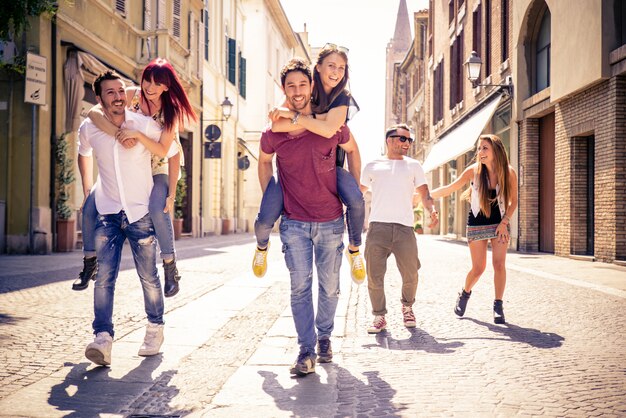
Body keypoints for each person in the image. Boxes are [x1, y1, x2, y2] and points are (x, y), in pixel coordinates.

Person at [258, 58, 361, 376]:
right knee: (300, 288)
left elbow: (354, 151)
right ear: (283, 89)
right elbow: (264, 162)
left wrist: (352, 189)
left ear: (312, 86)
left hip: (331, 222)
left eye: (303, 84)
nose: (298, 90)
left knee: (329, 288)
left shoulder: (332, 125)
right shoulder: (274, 130)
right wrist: (272, 197)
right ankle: (305, 351)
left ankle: (325, 338)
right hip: (294, 224)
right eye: (291, 85)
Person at [72, 58, 197, 298]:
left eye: (156, 83)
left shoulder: (171, 112)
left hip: (158, 165)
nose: (149, 87)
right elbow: (94, 112)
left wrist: (171, 194)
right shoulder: (133, 94)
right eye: (147, 80)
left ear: (166, 87)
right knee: (89, 207)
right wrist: (118, 134)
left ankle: (170, 267)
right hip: (131, 164)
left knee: (157, 207)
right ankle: (89, 263)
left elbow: (165, 152)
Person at [78, 70, 178, 366]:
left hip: (140, 214)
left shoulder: (144, 125)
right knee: (104, 279)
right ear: (99, 98)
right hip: (108, 213)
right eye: (110, 92)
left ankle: (155, 328)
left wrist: (170, 194)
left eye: (121, 91)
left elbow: (171, 151)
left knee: (148, 277)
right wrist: (87, 190)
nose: (118, 97)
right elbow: (82, 151)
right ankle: (103, 338)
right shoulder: (90, 127)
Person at [252, 43, 366, 285]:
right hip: (294, 173)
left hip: (331, 166)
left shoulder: (342, 96)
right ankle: (261, 247)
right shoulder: (304, 87)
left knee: (356, 200)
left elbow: (329, 130)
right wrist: (313, 119)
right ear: (318, 68)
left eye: (341, 68)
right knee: (264, 219)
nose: (336, 72)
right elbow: (276, 126)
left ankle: (354, 249)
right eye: (331, 66)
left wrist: (355, 184)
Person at [430, 134, 518, 324]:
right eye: (479, 149)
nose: (480, 152)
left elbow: (514, 202)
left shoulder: (508, 172)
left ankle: (498, 306)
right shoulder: (474, 171)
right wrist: (425, 196)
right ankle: (465, 293)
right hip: (477, 222)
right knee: (478, 268)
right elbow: (449, 188)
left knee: (499, 264)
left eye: (484, 148)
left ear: (496, 150)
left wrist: (504, 222)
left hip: (499, 223)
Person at [360, 124, 439, 334]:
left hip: (405, 229)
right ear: (389, 140)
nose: (407, 144)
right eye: (403, 139)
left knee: (411, 274)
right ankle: (379, 316)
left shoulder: (414, 166)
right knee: (374, 275)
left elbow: (425, 193)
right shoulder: (372, 166)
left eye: (410, 140)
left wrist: (432, 210)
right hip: (377, 229)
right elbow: (357, 194)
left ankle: (407, 307)